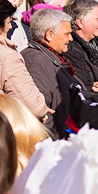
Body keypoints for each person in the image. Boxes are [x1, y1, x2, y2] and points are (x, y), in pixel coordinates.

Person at [0, 0, 49, 123]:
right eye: (8, 22)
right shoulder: (7, 57)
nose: (10, 27)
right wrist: (43, 110)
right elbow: (34, 107)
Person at [20, 7, 72, 136]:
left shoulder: (52, 56)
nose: (70, 39)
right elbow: (41, 113)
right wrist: (52, 143)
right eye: (67, 34)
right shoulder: (35, 61)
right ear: (49, 34)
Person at [63, 0, 98, 97]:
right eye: (97, 18)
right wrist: (92, 90)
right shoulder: (72, 51)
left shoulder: (95, 44)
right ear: (80, 22)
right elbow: (83, 87)